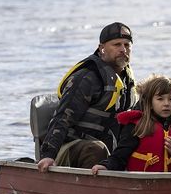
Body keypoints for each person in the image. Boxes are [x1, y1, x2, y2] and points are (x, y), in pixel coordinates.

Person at [37, 22, 137, 172]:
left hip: (109, 152)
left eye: (127, 45)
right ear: (101, 48)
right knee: (96, 148)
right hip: (71, 147)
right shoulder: (87, 78)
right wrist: (48, 155)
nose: (123, 50)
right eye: (116, 45)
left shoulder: (127, 81)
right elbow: (62, 118)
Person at [91, 74, 171, 174]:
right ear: (149, 103)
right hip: (141, 184)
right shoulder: (136, 126)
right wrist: (106, 166)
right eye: (160, 99)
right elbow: (120, 156)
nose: (166, 103)